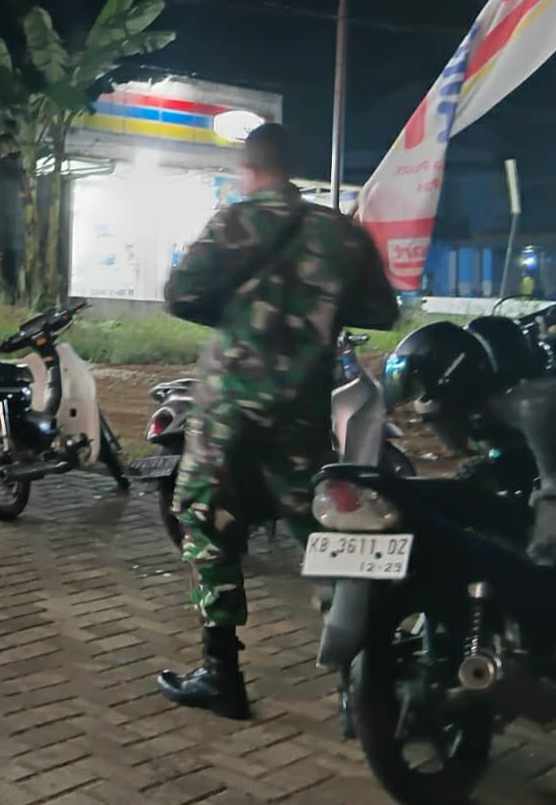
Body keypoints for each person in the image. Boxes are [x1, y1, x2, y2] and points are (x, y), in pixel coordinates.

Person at [157, 122, 398, 719]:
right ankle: (363, 685)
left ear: (251, 168)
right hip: (302, 407)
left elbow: (179, 294)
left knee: (204, 516)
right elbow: (382, 310)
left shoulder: (234, 222)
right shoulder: (341, 233)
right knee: (321, 528)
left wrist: (237, 312)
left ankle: (221, 673)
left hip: (228, 408)